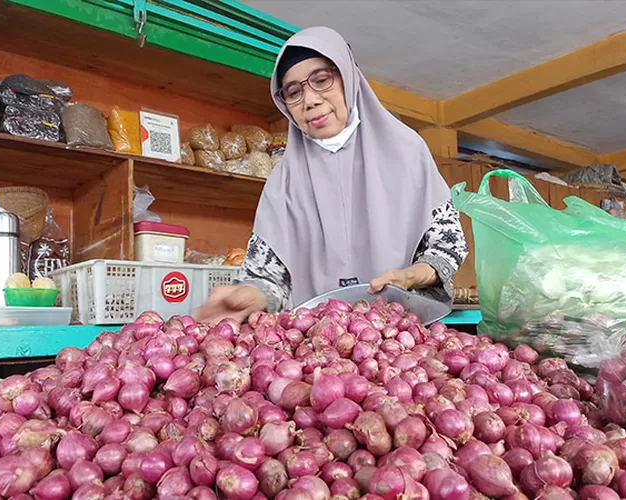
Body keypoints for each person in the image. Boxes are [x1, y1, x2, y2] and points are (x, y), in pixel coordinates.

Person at [196, 26, 468, 325]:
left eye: (322, 80)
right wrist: (255, 294)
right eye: (294, 92)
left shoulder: (406, 151)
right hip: (317, 348)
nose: (309, 101)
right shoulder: (282, 181)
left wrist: (411, 276)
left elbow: (447, 243)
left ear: (348, 79)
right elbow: (269, 277)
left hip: (400, 338)